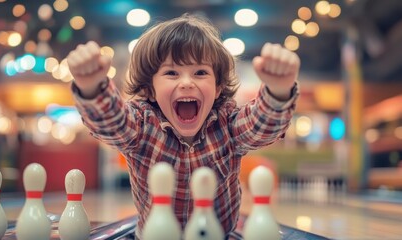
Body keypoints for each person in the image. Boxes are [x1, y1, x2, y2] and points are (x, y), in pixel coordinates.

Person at [67, 13, 300, 239]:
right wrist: (92, 88)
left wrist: (278, 92)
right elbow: (112, 122)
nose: (187, 83)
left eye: (200, 72)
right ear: (150, 88)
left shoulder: (228, 124)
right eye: (171, 73)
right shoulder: (141, 125)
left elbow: (261, 125)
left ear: (218, 87)